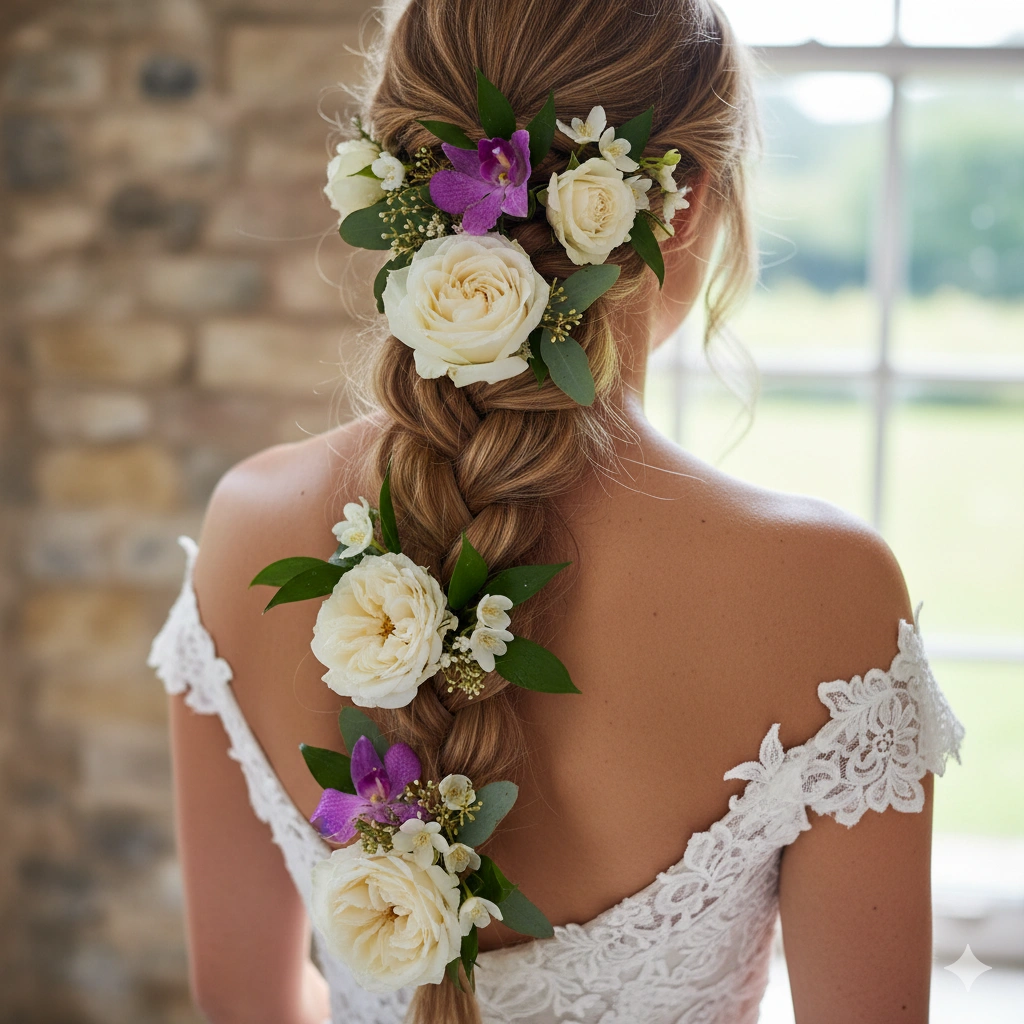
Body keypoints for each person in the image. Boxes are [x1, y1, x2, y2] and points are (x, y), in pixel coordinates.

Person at [148, 1, 964, 1022]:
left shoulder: (249, 525)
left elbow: (244, 1005)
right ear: (683, 204)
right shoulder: (825, 590)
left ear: (400, 179)